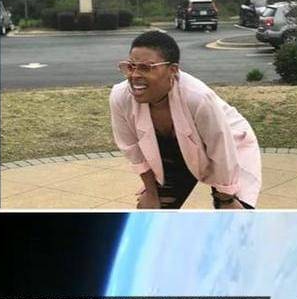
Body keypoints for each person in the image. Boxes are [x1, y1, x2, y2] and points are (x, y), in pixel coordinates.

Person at [109, 31, 262, 209]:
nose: (134, 75)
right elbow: (132, 149)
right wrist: (151, 193)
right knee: (151, 213)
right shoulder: (121, 97)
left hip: (229, 148)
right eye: (131, 66)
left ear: (172, 70)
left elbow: (221, 150)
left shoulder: (197, 97)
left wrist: (226, 199)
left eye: (146, 67)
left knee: (235, 217)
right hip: (174, 153)